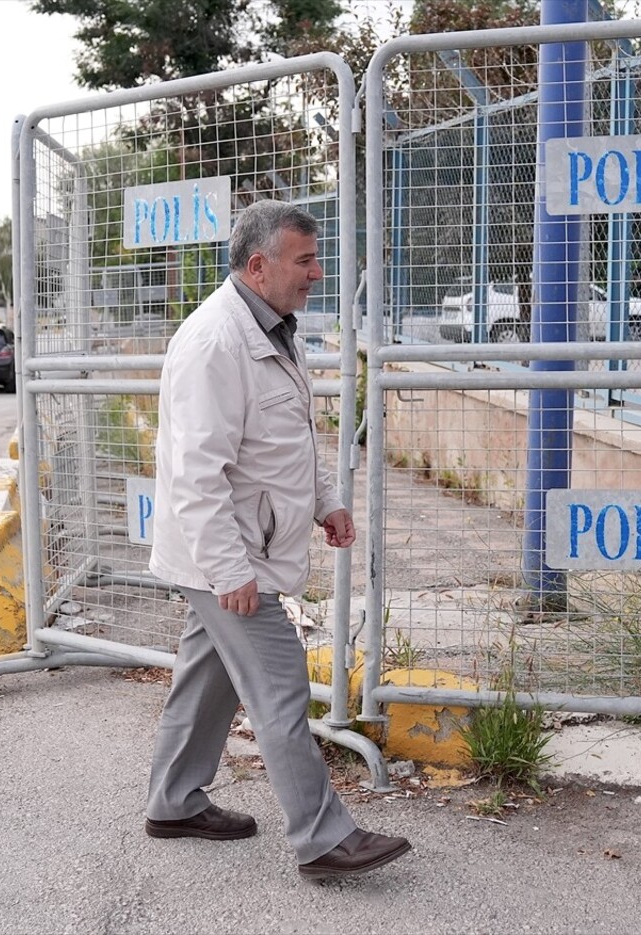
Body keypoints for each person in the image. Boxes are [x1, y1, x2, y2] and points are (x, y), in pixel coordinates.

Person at [144, 200, 411, 879]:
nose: (317, 273)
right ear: (258, 266)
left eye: (315, 259)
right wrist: (228, 567)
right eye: (305, 260)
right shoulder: (214, 343)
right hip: (226, 554)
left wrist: (323, 502)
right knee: (280, 686)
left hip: (236, 547)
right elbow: (194, 472)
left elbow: (283, 437)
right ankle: (323, 838)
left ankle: (173, 800)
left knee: (207, 681)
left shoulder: (272, 327)